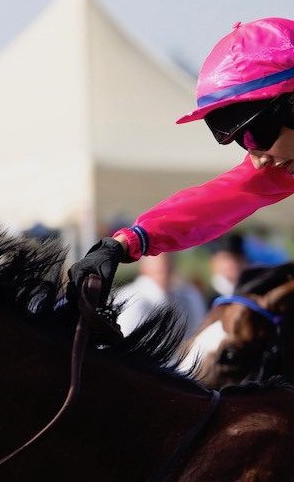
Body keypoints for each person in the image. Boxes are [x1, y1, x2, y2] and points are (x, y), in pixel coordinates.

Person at [70, 18, 294, 301]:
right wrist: (125, 242)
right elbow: (217, 201)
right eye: (242, 140)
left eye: (258, 133)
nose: (259, 161)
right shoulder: (281, 163)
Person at [111, 250, 207, 340]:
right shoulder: (132, 298)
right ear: (143, 267)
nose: (165, 267)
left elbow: (196, 337)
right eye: (160, 269)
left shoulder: (186, 296)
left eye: (167, 266)